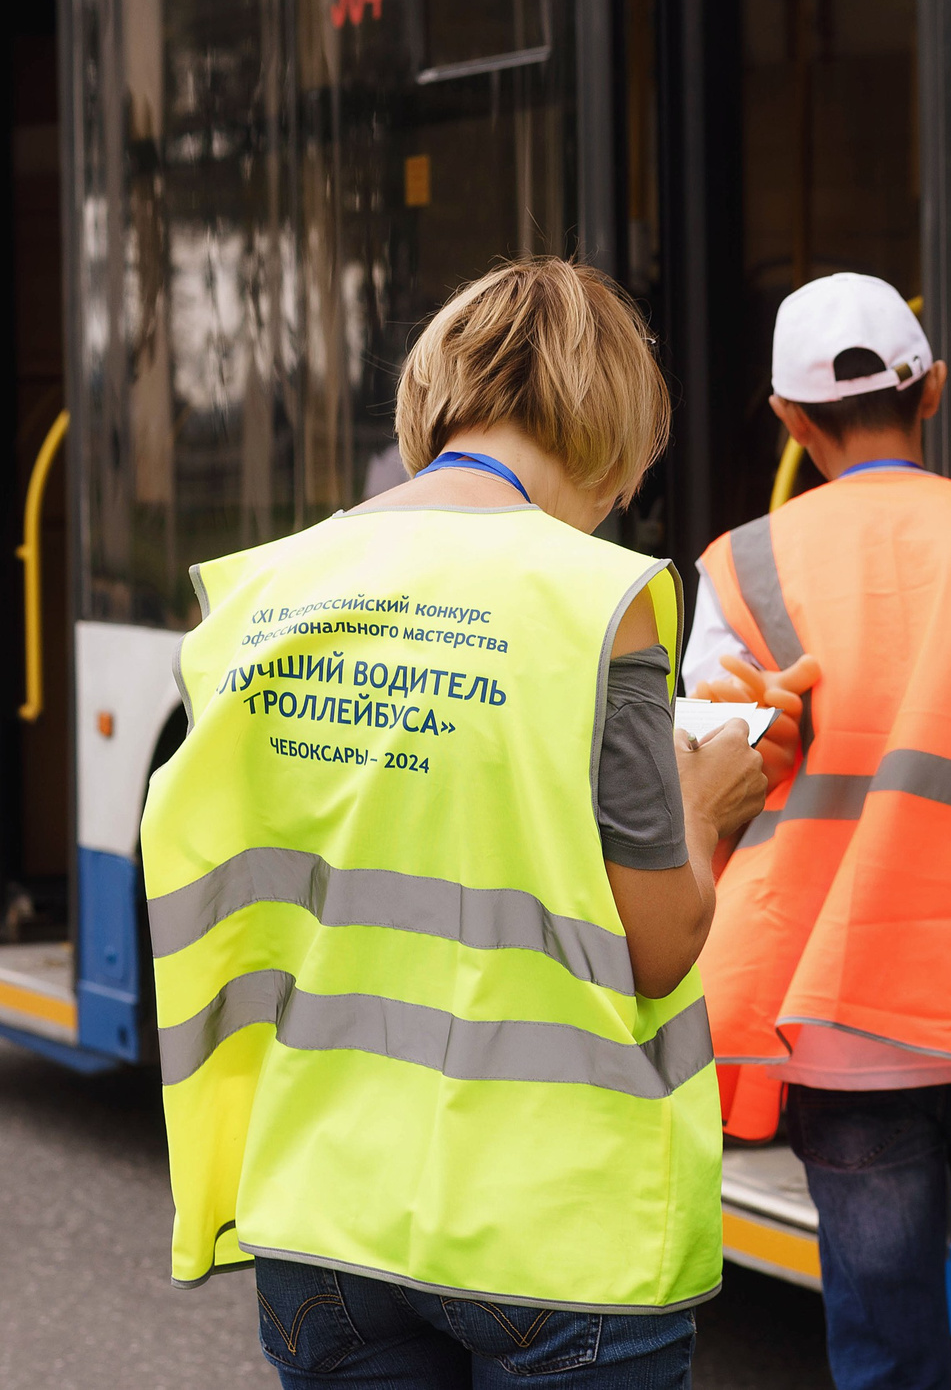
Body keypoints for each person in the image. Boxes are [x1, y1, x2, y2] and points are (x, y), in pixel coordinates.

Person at [140, 257, 769, 1388]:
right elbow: (656, 941)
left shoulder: (260, 593)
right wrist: (708, 807)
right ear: (613, 432)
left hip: (320, 1206)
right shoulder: (596, 599)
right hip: (552, 1232)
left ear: (429, 400)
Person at [682, 271, 951, 1390]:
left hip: (841, 1024)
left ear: (787, 420)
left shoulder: (744, 568)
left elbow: (706, 776)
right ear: (935, 392)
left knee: (884, 1351)